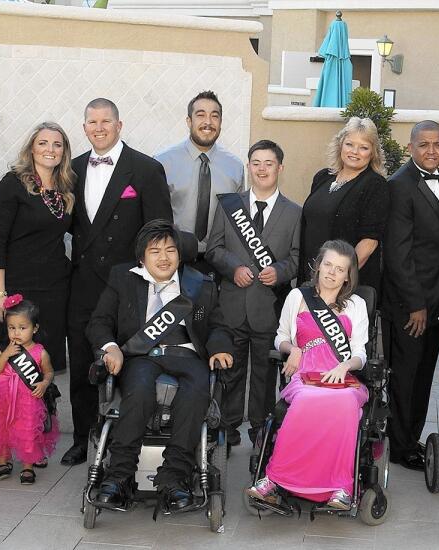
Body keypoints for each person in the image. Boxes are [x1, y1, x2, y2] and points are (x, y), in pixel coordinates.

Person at [89, 221, 234, 512]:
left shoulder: (199, 284)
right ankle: (119, 476)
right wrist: (111, 347)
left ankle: (174, 478)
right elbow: (99, 322)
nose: (164, 257)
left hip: (188, 355)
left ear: (180, 255)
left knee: (195, 395)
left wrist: (218, 348)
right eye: (155, 251)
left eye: (170, 250)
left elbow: (218, 326)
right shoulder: (123, 278)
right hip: (142, 356)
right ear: (142, 257)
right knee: (139, 390)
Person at [65, 98, 173, 466]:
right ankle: (83, 438)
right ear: (84, 128)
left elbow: (160, 232)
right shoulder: (72, 169)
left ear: (119, 124)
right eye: (92, 122)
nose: (99, 128)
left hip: (128, 285)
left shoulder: (146, 168)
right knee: (82, 363)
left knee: (129, 362)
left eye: (105, 121)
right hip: (81, 283)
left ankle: (127, 439)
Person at [247, 240, 370, 510]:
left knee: (345, 402)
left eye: (340, 269)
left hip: (341, 377)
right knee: (306, 400)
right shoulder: (297, 297)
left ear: (348, 275)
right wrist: (293, 350)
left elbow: (361, 352)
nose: (332, 272)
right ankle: (275, 479)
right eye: (328, 264)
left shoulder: (357, 304)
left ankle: (339, 488)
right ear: (318, 265)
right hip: (305, 375)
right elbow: (281, 338)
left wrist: (345, 365)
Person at [205, 139, 301, 447]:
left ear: (280, 168)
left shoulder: (294, 212)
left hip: (268, 307)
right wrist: (232, 267)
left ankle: (261, 429)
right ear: (249, 167)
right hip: (232, 303)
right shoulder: (229, 205)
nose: (261, 169)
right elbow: (214, 248)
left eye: (268, 163)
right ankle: (228, 428)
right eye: (256, 163)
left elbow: (299, 257)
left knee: (263, 374)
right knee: (231, 371)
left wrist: (282, 271)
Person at [0, 121, 75, 452]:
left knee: (42, 362)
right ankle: (6, 442)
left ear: (64, 151)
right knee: (12, 364)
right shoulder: (13, 185)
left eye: (57, 144)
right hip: (19, 289)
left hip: (56, 288)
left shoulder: (66, 187)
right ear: (32, 148)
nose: (50, 149)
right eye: (43, 143)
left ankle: (38, 439)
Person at [382, 120, 439, 471]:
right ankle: (399, 445)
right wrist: (416, 304)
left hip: (437, 299)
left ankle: (411, 437)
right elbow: (398, 252)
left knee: (424, 374)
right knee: (406, 376)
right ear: (410, 147)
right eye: (423, 144)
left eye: (437, 144)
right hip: (411, 305)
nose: (431, 150)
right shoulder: (399, 185)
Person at [0, 294, 60, 484]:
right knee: (2, 430)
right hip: (1, 398)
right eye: (11, 328)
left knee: (27, 431)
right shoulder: (3, 348)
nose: (16, 333)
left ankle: (28, 466)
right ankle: (3, 461)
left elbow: (48, 373)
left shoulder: (40, 352)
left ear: (35, 328)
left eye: (23, 328)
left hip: (28, 400)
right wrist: (5, 354)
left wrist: (44, 383)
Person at [156, 90, 245, 275]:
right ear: (189, 121)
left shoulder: (235, 167)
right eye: (200, 115)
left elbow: (237, 221)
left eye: (215, 116)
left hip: (218, 265)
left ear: (221, 122)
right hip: (173, 261)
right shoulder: (162, 163)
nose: (208, 122)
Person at [299, 117, 389, 291]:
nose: (354, 151)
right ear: (340, 144)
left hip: (344, 285)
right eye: (349, 144)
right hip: (310, 277)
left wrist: (339, 278)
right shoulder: (322, 177)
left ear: (373, 153)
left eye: (363, 147)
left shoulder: (375, 185)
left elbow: (369, 242)